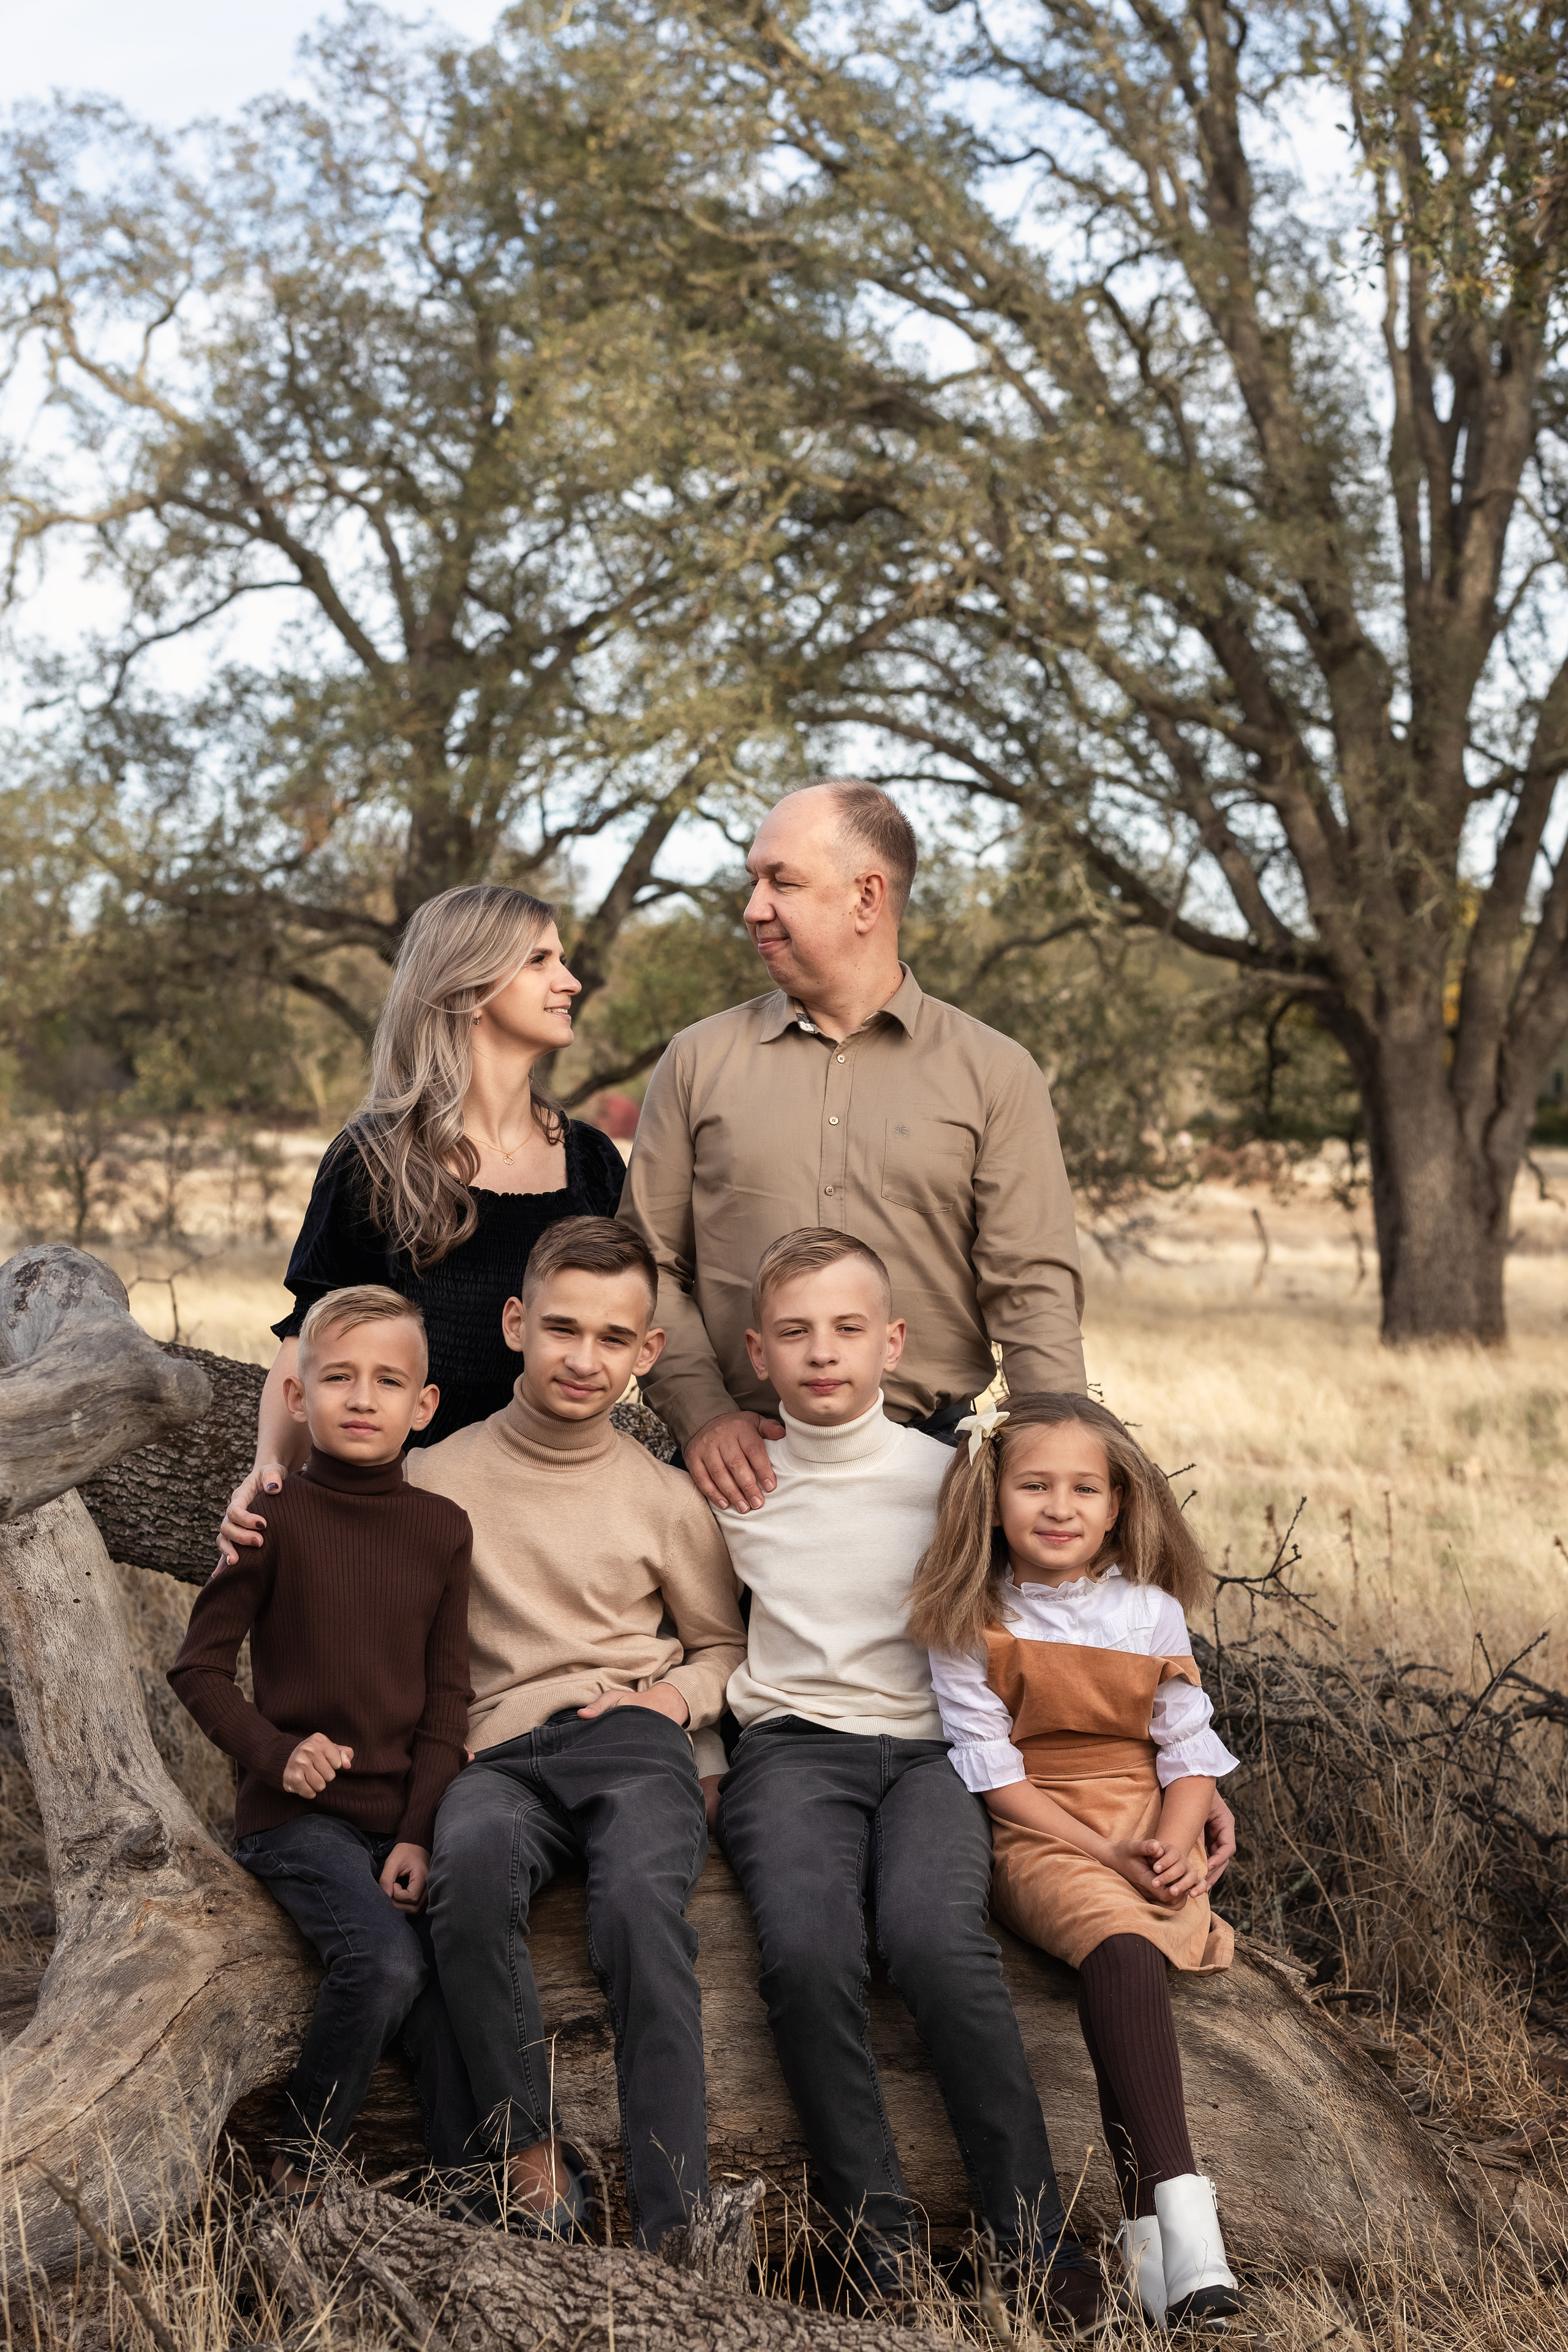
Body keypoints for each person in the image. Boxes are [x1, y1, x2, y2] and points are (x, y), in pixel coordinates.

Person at [620, 774, 1237, 1889]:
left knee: (952, 1762)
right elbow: (645, 1262)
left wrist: (1064, 1489)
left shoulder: (991, 1072)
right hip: (740, 1477)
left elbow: (1034, 1292)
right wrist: (705, 1413)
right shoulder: (699, 1061)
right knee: (734, 1770)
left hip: (933, 1486)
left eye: (779, 881)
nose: (753, 907)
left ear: (868, 895)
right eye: (754, 882)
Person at [714, 1227, 1109, 2333]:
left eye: (848, 1329)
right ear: (757, 1351)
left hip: (938, 1752)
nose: (822, 1352)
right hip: (792, 1749)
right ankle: (873, 2245)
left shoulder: (955, 1480)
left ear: (893, 1344)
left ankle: (1033, 2239)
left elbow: (1054, 1619)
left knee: (937, 1944)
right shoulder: (732, 1482)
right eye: (795, 1332)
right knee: (807, 1955)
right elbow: (695, 1630)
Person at [405, 1218, 747, 2249]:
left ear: (648, 1352)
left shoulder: (667, 1499)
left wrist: (674, 1706)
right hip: (496, 1756)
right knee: (468, 1880)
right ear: (517, 1324)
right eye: (562, 1329)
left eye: (612, 1338)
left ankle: (675, 2229)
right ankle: (530, 2160)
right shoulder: (433, 1480)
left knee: (642, 1915)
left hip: (631, 1740)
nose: (583, 1358)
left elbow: (723, 1646)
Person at [911, 1393, 1244, 2330]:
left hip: (1145, 1810)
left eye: (1083, 1489)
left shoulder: (1148, 1612)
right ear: (991, 1497)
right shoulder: (968, 1615)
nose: (1059, 1507)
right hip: (1043, 1826)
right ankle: (1193, 2234)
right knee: (1120, 1944)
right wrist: (1107, 1854)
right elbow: (992, 1773)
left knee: (1138, 1936)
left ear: (1117, 1506)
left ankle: (1152, 2253)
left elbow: (1186, 1749)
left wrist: (1174, 1843)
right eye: (1034, 1486)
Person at [168, 1286, 475, 2201]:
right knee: (382, 1964)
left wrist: (418, 1834)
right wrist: (276, 1752)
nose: (362, 1398)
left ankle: (469, 2203)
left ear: (424, 1405)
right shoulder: (274, 1517)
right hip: (294, 1824)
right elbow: (198, 1669)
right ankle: (296, 2173)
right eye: (338, 1377)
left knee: (448, 1998)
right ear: (298, 1397)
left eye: (389, 1381)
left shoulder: (442, 1530)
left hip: (397, 1822)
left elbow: (447, 1700)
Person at [217, 883, 625, 1566]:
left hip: (559, 1517)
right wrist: (267, 1470)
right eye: (539, 961)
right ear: (469, 987)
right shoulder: (375, 1158)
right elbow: (311, 1332)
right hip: (403, 1519)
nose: (570, 981)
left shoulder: (593, 1163)